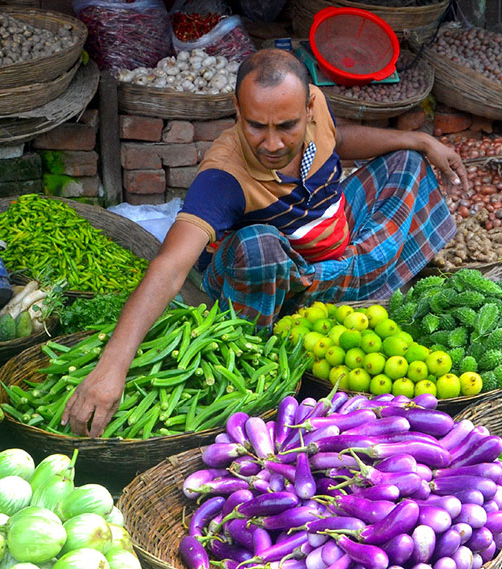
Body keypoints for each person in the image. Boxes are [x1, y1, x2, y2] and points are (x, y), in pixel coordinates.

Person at [62, 48, 467, 437]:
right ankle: (324, 302)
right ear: (238, 112)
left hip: (336, 236)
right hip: (286, 276)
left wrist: (420, 140)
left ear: (308, 108)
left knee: (408, 164)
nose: (272, 144)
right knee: (258, 245)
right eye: (256, 126)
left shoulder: (316, 109)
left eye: (287, 126)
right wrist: (111, 368)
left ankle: (352, 279)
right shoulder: (222, 177)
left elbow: (337, 141)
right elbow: (169, 267)